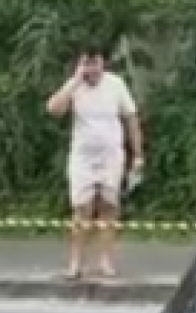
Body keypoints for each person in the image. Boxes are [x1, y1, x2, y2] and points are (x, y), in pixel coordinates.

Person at [46, 45, 144, 280]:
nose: (92, 69)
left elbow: (131, 119)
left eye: (96, 63)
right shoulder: (75, 86)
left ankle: (106, 261)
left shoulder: (116, 84)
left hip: (111, 154)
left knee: (109, 207)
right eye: (87, 63)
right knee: (82, 208)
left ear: (102, 63)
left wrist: (138, 155)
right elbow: (54, 109)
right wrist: (74, 81)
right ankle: (75, 263)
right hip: (83, 157)